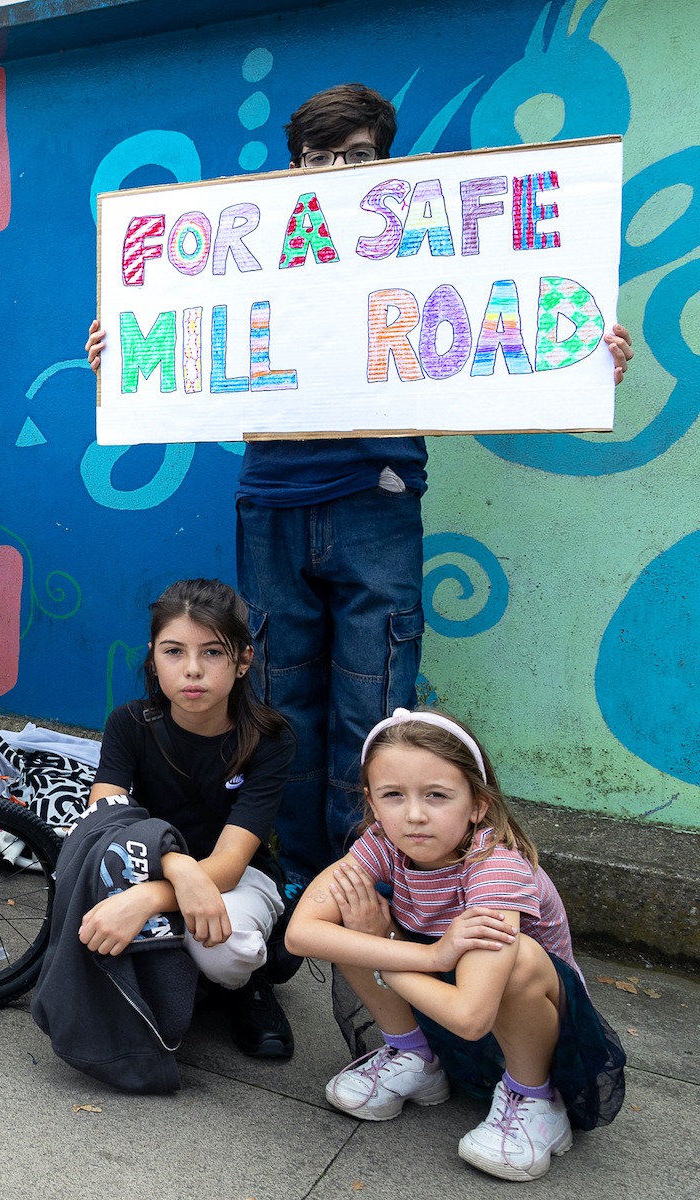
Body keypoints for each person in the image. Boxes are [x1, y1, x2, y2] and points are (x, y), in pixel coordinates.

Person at [86, 83, 635, 893]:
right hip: (272, 498)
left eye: (359, 156)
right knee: (277, 698)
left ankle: (367, 878)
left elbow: (507, 327)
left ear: (386, 162)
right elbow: (186, 331)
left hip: (377, 498)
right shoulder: (262, 246)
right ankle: (302, 876)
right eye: (320, 157)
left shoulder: (421, 246)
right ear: (294, 167)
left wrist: (582, 348)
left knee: (374, 700)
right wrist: (124, 354)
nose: (339, 170)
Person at [286, 709, 625, 1182]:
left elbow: (471, 1017)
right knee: (351, 913)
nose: (415, 815)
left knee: (520, 958)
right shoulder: (384, 842)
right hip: (439, 1001)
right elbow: (300, 934)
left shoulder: (497, 868)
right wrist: (426, 955)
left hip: (527, 1031)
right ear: (372, 803)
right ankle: (416, 1057)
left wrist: (386, 952)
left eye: (437, 796)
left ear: (477, 805)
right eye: (393, 796)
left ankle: (535, 1099)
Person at [74, 579, 299, 1059]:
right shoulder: (129, 724)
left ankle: (247, 985)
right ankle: (174, 969)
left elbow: (232, 861)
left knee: (230, 951)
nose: (192, 670)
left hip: (234, 879)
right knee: (94, 913)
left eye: (213, 653)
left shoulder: (269, 740)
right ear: (153, 656)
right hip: (147, 865)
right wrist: (171, 868)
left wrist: (149, 899)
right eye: (174, 651)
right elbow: (103, 825)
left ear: (243, 660)